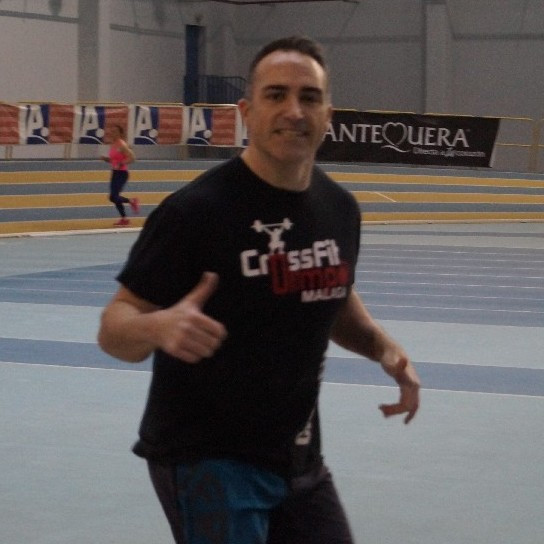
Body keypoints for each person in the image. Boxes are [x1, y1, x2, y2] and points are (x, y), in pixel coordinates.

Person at [97, 35, 420, 544]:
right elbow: (114, 328)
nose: (294, 111)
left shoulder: (339, 209)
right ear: (247, 112)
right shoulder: (194, 212)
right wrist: (157, 327)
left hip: (298, 458)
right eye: (276, 95)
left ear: (328, 114)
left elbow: (332, 294)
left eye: (309, 97)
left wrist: (385, 349)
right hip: (208, 460)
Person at [101, 124, 139, 226]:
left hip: (122, 173)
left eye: (115, 132)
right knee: (113, 197)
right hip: (115, 172)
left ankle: (131, 202)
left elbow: (132, 158)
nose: (112, 133)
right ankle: (125, 218)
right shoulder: (113, 144)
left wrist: (121, 163)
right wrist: (106, 159)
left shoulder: (122, 144)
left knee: (114, 196)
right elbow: (114, 160)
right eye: (112, 131)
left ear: (120, 134)